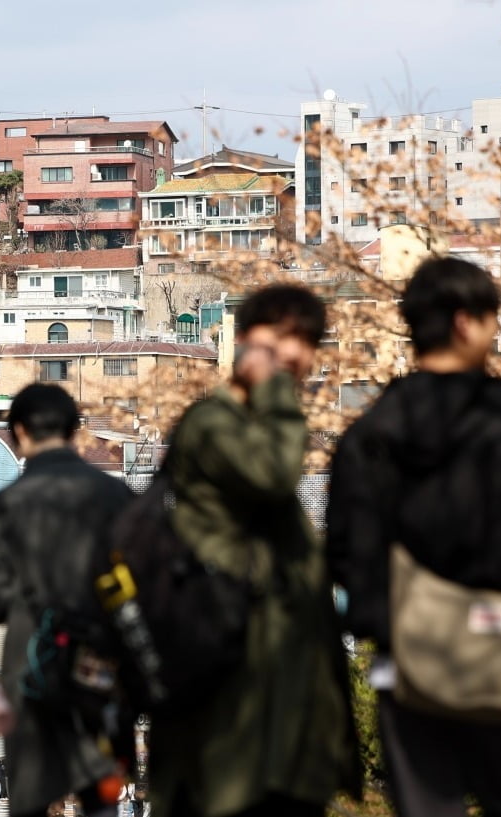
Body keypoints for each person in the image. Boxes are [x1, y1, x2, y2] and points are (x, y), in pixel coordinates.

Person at [327, 257, 501, 817]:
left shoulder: (371, 436)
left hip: (410, 668)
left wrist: (383, 625)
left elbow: (346, 554)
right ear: (464, 323)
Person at [149, 285, 359, 817]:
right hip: (229, 724)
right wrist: (273, 389)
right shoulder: (213, 426)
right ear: (242, 343)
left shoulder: (254, 432)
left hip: (278, 725)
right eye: (280, 337)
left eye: (307, 340)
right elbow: (272, 473)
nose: (295, 354)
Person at [0, 384, 133, 817]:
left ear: (19, 432)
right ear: (76, 431)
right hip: (102, 668)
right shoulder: (117, 498)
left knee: (31, 797)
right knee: (100, 798)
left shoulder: (5, 506)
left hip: (30, 669)